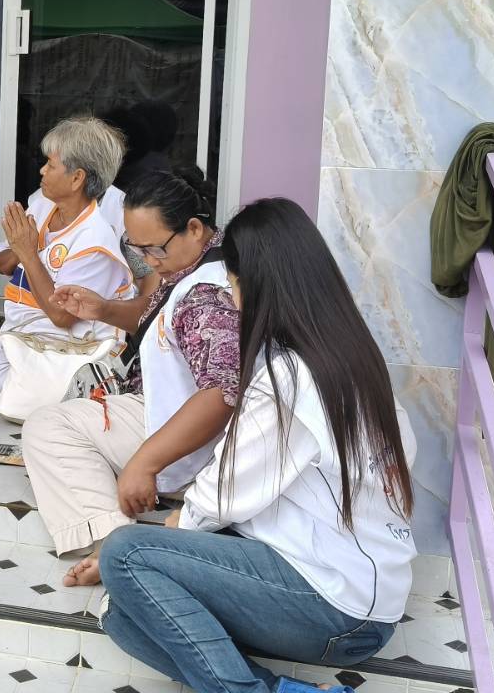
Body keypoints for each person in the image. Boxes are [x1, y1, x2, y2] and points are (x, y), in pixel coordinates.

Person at [92, 198, 418, 693]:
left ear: (255, 282)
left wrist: (165, 542)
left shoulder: (289, 376)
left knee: (124, 556)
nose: (228, 290)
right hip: (363, 594)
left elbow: (223, 493)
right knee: (122, 616)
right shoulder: (352, 354)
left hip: (336, 608)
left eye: (232, 279)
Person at [23, 168, 240, 573]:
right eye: (134, 247)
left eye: (153, 249)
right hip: (162, 408)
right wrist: (103, 309)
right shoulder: (197, 258)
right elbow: (162, 315)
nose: (147, 260)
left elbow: (222, 393)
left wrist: (146, 463)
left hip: (186, 433)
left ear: (194, 228)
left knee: (47, 428)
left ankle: (116, 543)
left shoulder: (207, 294)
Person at [0, 116, 133, 401]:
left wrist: (30, 254)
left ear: (77, 178)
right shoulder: (44, 208)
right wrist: (22, 248)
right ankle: (28, 379)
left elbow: (61, 317)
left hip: (68, 346)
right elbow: (4, 263)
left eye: (51, 165)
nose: (42, 170)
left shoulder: (94, 241)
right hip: (24, 335)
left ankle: (64, 386)